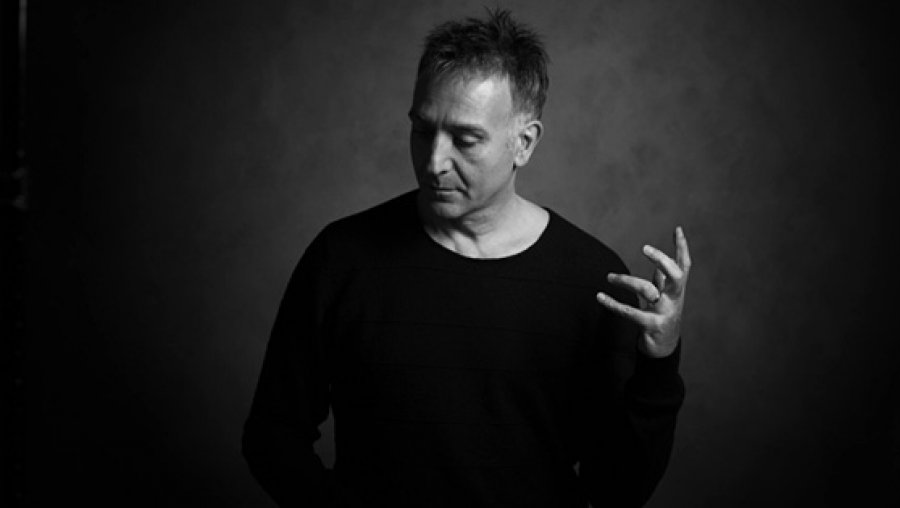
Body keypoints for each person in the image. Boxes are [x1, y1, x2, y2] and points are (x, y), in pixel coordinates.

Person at [242, 8, 691, 507]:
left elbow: (619, 491)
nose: (434, 162)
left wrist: (659, 365)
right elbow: (272, 436)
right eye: (422, 130)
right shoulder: (342, 259)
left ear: (524, 143)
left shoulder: (592, 282)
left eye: (465, 138)